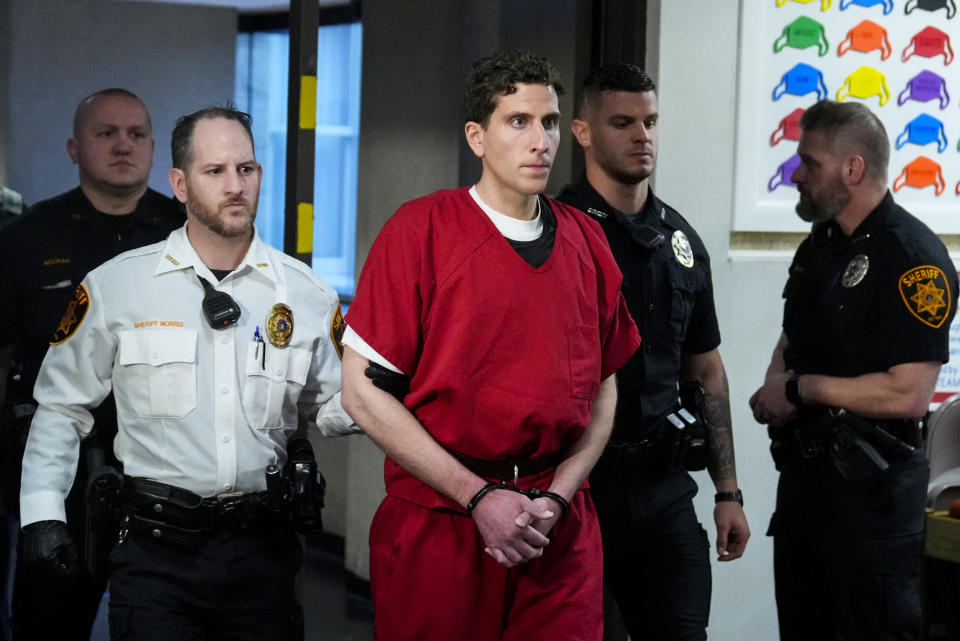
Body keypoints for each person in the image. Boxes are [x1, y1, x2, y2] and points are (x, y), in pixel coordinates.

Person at [18, 105, 355, 641]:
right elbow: (62, 406)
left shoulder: (307, 295)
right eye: (215, 171)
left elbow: (334, 408)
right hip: (157, 557)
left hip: (264, 555)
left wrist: (378, 392)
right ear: (179, 183)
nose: (235, 185)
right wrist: (41, 513)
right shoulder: (117, 286)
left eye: (246, 169)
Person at [340, 50, 641, 641]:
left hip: (555, 522)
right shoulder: (421, 231)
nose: (540, 141)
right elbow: (361, 392)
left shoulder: (587, 240)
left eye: (550, 122)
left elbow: (604, 391)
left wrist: (558, 496)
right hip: (443, 518)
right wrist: (477, 497)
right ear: (477, 137)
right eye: (518, 121)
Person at [749, 99, 957, 641]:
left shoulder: (912, 258)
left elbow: (909, 394)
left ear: (853, 169)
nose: (796, 174)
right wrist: (778, 383)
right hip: (806, 484)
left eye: (809, 163)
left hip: (872, 498)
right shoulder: (821, 247)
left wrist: (800, 389)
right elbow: (795, 332)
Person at [557, 62, 750, 641]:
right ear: (584, 132)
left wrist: (729, 492)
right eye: (622, 122)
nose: (642, 135)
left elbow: (707, 371)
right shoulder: (559, 232)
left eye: (651, 121)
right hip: (584, 485)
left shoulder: (680, 240)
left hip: (663, 487)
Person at [0, 88, 184, 641]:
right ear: (74, 148)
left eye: (137, 134)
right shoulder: (26, 238)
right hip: (59, 468)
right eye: (106, 133)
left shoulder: (189, 234)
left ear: (154, 148)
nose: (123, 145)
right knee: (50, 622)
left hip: (166, 468)